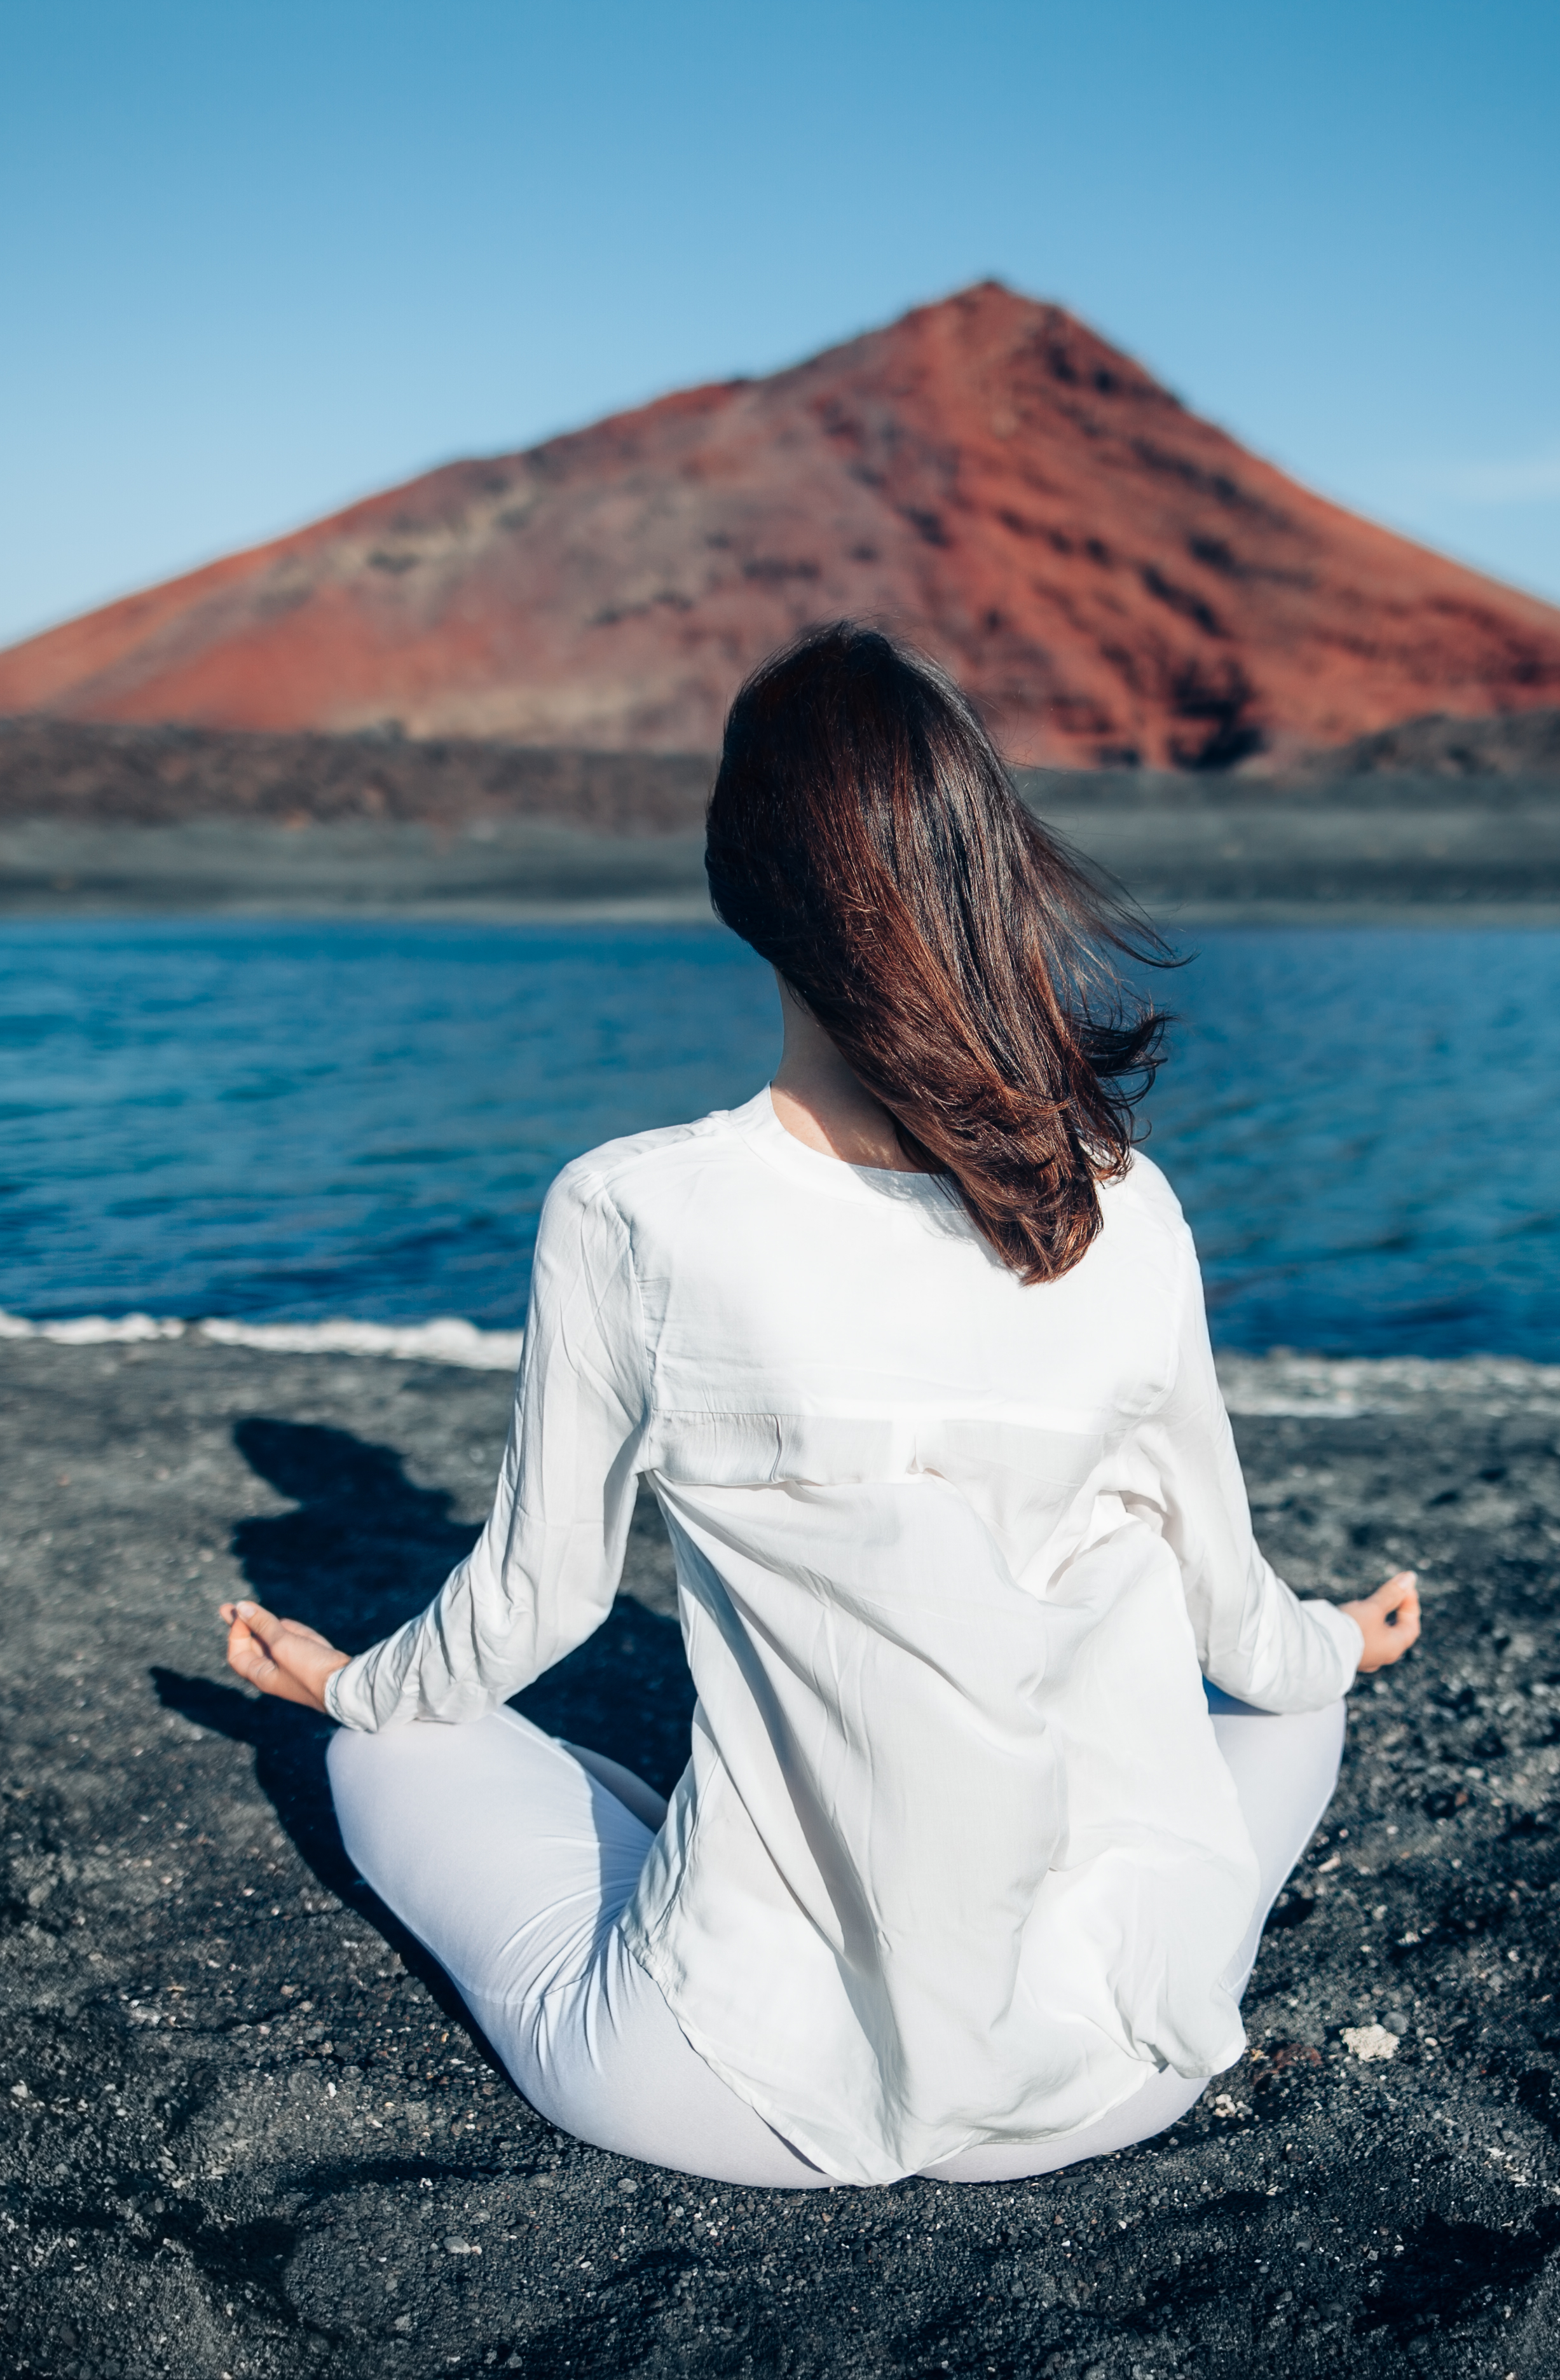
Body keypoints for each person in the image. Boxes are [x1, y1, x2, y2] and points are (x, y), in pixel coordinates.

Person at [221, 622, 1421, 2188]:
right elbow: (1235, 1620)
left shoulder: (636, 1211)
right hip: (1107, 2074)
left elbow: (534, 1608)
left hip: (727, 2088)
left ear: (741, 879)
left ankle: (648, 1830)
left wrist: (347, 1690)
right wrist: (1338, 1639)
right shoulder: (1125, 1210)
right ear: (986, 862)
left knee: (390, 1751)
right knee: (1296, 1703)